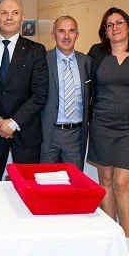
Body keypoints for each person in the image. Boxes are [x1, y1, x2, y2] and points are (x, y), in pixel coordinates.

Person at [87, 7, 129, 238]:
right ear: (104, 31)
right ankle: (111, 236)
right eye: (109, 25)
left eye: (119, 23)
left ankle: (128, 240)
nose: (115, 28)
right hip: (102, 125)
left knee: (122, 183)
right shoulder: (96, 54)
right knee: (104, 180)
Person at [0, 0, 48, 181]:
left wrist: (13, 122)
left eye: (15, 13)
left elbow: (40, 94)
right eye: (4, 13)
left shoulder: (36, 51)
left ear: (22, 19)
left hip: (26, 130)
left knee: (28, 186)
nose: (9, 17)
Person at [40, 16, 91, 169]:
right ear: (53, 34)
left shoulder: (87, 62)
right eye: (61, 31)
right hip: (48, 133)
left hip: (76, 136)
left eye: (71, 31)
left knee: (74, 184)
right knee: (45, 181)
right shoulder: (42, 59)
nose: (67, 36)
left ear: (77, 35)